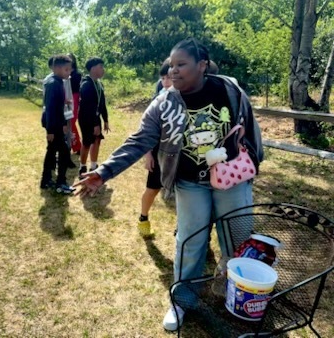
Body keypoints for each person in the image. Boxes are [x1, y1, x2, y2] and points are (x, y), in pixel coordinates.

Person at [74, 38, 263, 331]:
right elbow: (139, 140)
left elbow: (251, 129)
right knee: (190, 242)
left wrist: (254, 164)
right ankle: (182, 301)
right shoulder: (164, 102)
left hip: (232, 178)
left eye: (181, 65)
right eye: (171, 65)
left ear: (202, 66)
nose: (173, 71)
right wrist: (105, 171)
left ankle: (235, 293)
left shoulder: (229, 90)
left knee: (236, 240)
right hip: (190, 183)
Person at [138, 61, 173, 238]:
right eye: (163, 78)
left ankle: (183, 229)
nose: (166, 82)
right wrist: (148, 154)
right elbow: (146, 131)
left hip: (179, 155)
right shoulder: (158, 100)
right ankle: (143, 219)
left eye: (169, 78)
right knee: (153, 188)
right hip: (160, 153)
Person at [40, 54, 76, 195]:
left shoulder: (58, 81)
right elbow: (50, 108)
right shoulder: (53, 83)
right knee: (62, 152)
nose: (69, 72)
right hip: (53, 126)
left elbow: (56, 104)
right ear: (56, 68)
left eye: (69, 70)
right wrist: (51, 130)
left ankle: (47, 180)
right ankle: (60, 183)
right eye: (66, 70)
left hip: (56, 125)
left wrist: (63, 102)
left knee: (53, 152)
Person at [78, 57, 110, 178]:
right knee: (87, 142)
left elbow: (102, 104)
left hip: (96, 118)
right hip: (87, 118)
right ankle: (82, 168)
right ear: (92, 69)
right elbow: (88, 107)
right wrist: (95, 124)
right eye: (101, 67)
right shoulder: (86, 84)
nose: (103, 70)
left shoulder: (99, 84)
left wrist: (105, 120)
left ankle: (94, 166)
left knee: (97, 140)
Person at [68, 53, 83, 155]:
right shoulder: (63, 72)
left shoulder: (77, 74)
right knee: (66, 123)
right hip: (65, 98)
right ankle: (69, 145)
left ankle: (77, 146)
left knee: (71, 123)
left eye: (70, 58)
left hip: (75, 98)